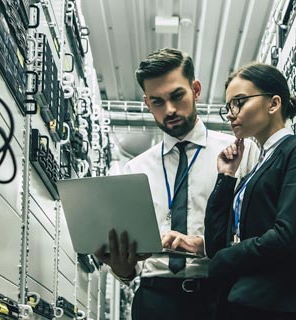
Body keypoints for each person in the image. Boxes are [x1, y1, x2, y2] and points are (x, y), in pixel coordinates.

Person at [92, 48, 256, 320]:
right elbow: (129, 270)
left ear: (196, 89)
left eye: (177, 96)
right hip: (154, 301)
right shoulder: (135, 169)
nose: (169, 110)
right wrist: (121, 267)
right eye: (157, 102)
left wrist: (203, 245)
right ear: (147, 103)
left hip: (219, 297)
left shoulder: (240, 152)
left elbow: (257, 235)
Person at [198, 62, 296, 319]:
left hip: (278, 306)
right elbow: (215, 243)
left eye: (240, 102)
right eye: (229, 106)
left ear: (274, 104)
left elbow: (286, 235)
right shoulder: (255, 168)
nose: (232, 113)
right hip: (242, 304)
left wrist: (225, 259)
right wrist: (226, 176)